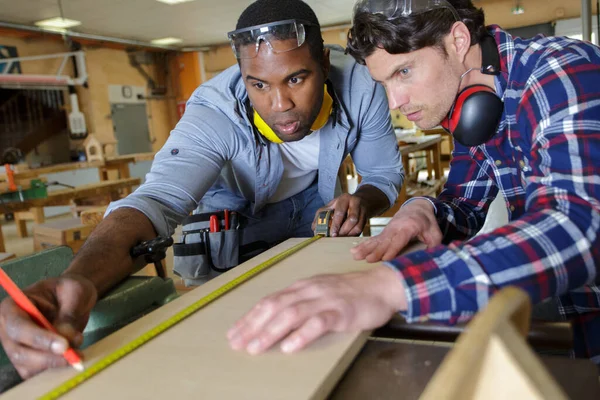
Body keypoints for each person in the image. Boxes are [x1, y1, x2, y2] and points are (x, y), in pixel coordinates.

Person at [0, 0, 403, 380]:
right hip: (235, 220)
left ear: (325, 63)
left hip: (317, 208)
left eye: (296, 78)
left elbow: (382, 174)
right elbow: (156, 201)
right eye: (258, 84)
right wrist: (81, 279)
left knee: (321, 336)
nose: (279, 103)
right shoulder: (214, 111)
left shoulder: (361, 85)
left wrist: (362, 201)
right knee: (230, 348)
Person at [227, 0, 600, 367]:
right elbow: (464, 205)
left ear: (456, 40)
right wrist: (422, 209)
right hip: (577, 319)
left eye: (404, 72)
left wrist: (389, 287)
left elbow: (579, 227)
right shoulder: (477, 96)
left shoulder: (560, 70)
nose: (395, 101)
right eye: (384, 82)